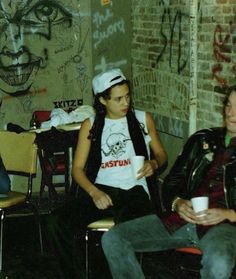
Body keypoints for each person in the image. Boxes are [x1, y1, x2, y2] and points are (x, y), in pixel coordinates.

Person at [101, 85, 236, 279]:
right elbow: (173, 181)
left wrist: (230, 213)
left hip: (224, 228)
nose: (231, 113)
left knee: (219, 263)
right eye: (229, 106)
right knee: (114, 238)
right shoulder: (203, 140)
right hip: (181, 219)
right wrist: (177, 203)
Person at [45, 68, 167, 278]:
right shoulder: (90, 126)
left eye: (128, 96)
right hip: (102, 190)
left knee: (124, 233)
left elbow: (162, 154)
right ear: (102, 100)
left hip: (134, 190)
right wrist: (94, 192)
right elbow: (77, 169)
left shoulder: (142, 119)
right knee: (55, 222)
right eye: (118, 99)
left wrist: (154, 164)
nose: (125, 103)